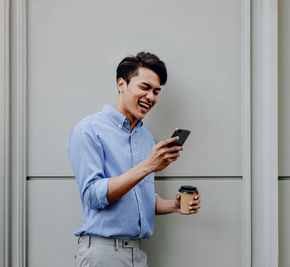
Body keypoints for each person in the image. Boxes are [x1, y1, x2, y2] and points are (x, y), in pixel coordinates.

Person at [66, 51, 201, 267]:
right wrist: (148, 165)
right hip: (103, 253)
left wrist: (173, 205)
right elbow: (92, 195)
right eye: (145, 87)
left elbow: (139, 196)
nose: (151, 97)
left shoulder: (145, 137)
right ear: (122, 84)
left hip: (137, 254)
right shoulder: (89, 130)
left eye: (156, 91)